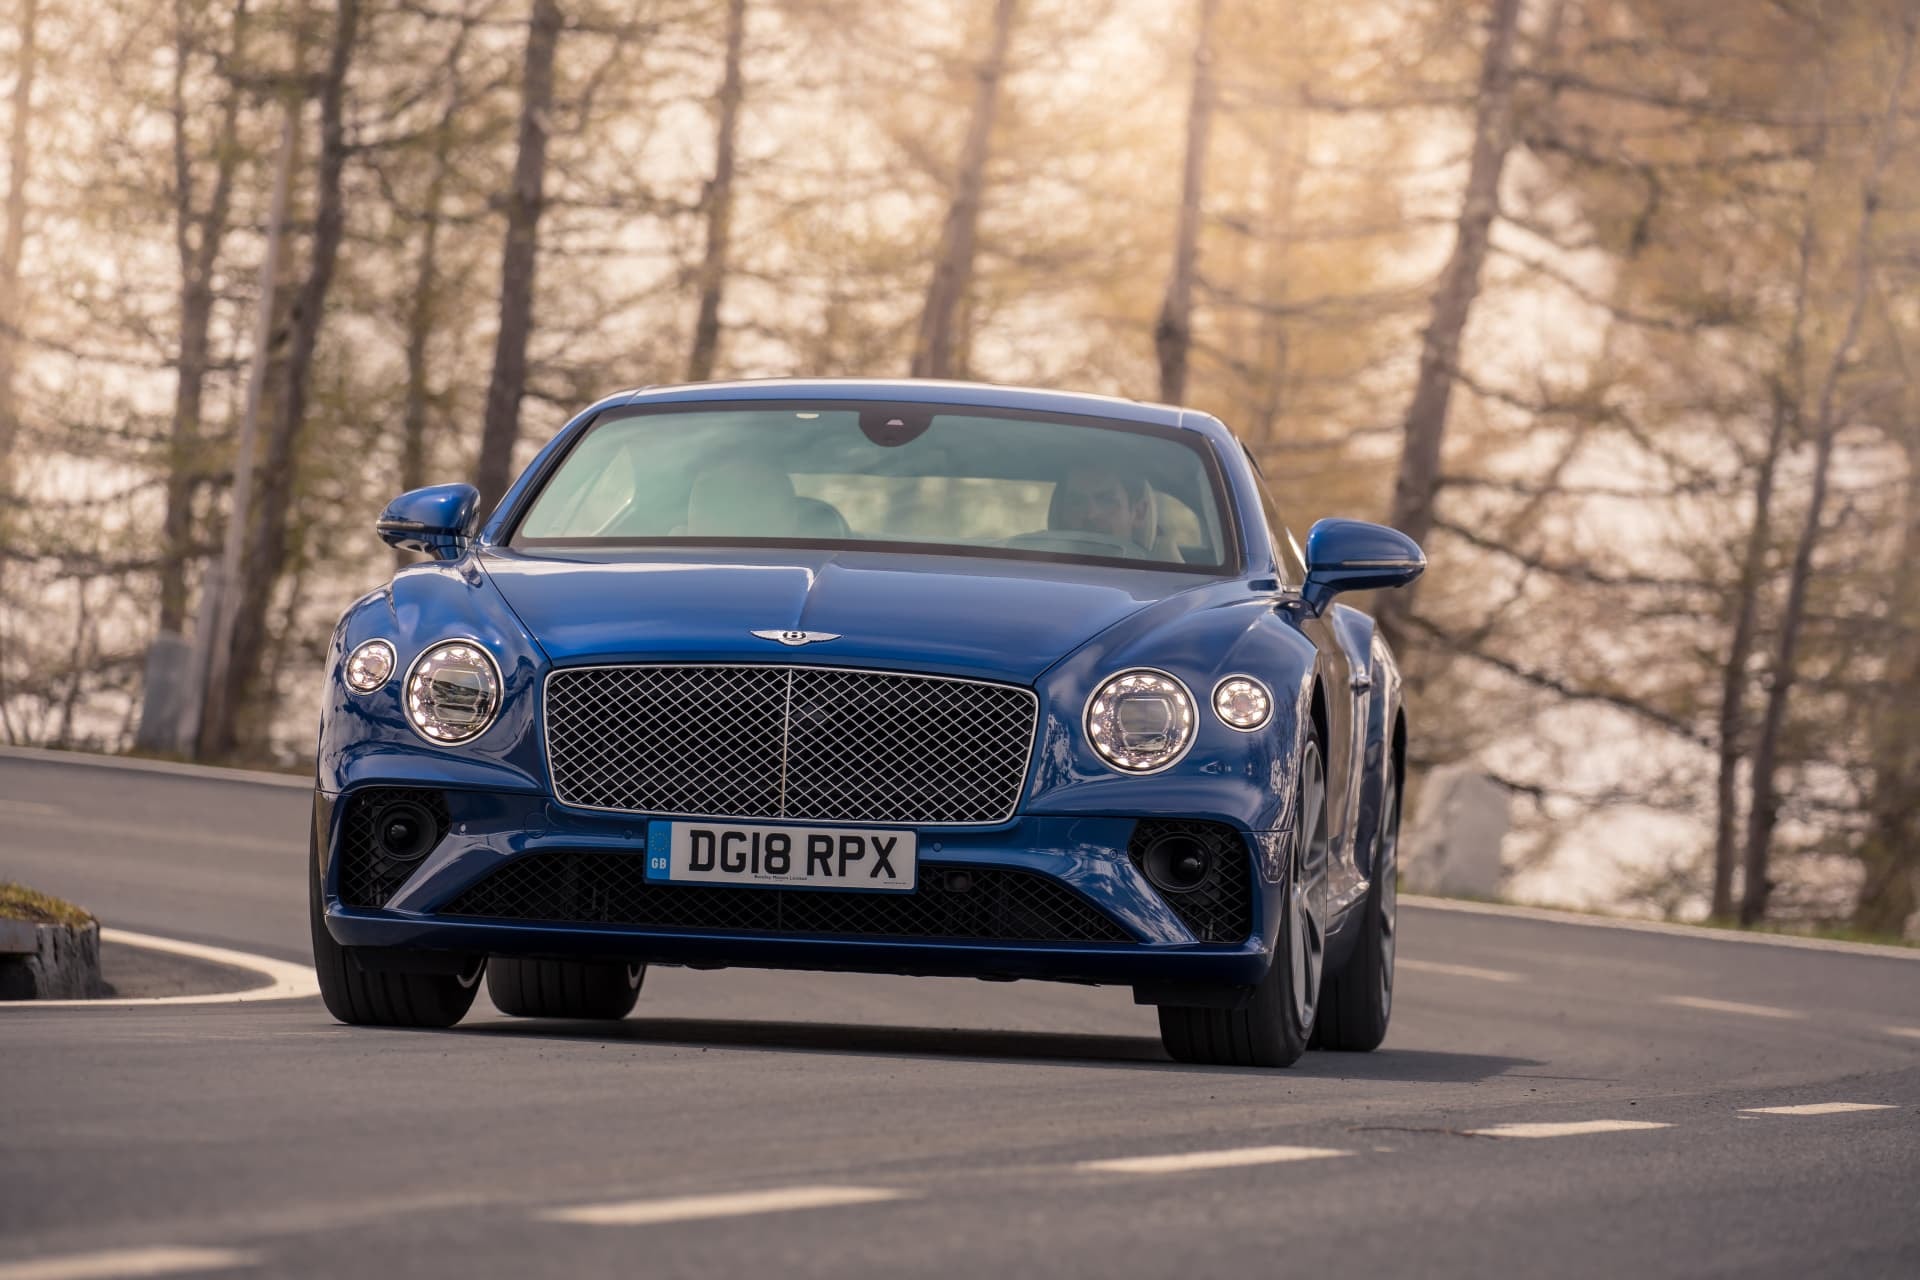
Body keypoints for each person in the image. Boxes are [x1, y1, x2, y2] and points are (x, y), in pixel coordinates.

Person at [1050, 462, 1181, 560]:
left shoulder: (1164, 582)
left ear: (1139, 513)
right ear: (1060, 513)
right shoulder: (1038, 569)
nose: (1090, 514)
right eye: (1076, 502)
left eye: (1107, 501)